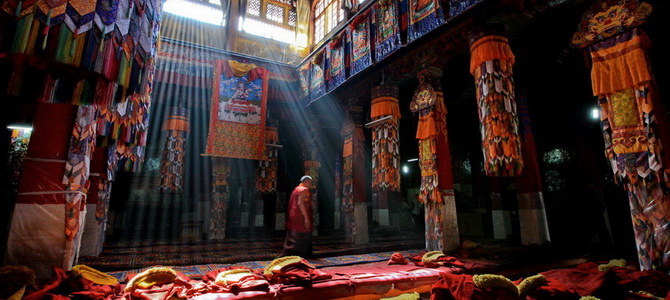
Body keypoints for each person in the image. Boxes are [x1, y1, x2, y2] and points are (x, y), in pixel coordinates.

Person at [282, 176, 314, 257]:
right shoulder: (304, 190)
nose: (311, 184)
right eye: (310, 182)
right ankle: (301, 254)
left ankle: (290, 253)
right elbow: (301, 203)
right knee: (302, 234)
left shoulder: (296, 189)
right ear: (306, 181)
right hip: (300, 215)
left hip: (293, 215)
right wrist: (306, 217)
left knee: (293, 234)